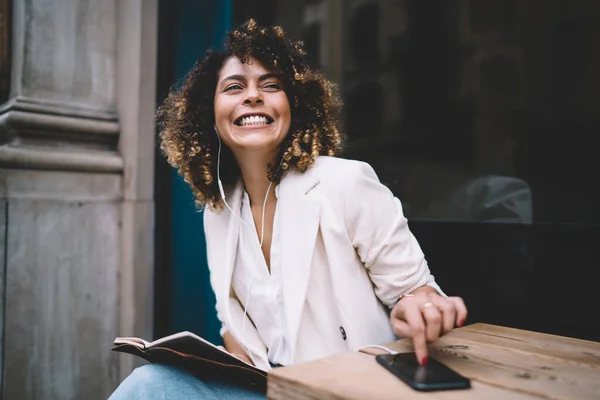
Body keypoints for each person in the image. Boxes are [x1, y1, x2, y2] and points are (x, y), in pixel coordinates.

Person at [110, 19, 467, 399]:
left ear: (293, 107)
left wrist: (422, 308)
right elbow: (232, 325)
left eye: (271, 85)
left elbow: (415, 291)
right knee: (148, 385)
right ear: (208, 115)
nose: (253, 96)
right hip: (272, 388)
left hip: (351, 389)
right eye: (234, 87)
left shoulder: (345, 183)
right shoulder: (220, 210)